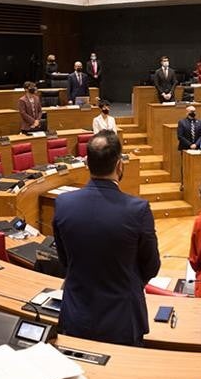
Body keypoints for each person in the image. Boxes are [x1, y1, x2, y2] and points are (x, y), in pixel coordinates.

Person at [52, 131, 159, 346]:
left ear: (87, 164)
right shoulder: (137, 209)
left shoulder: (63, 203)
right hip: (122, 319)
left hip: (76, 313)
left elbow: (64, 260)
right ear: (120, 165)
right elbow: (151, 266)